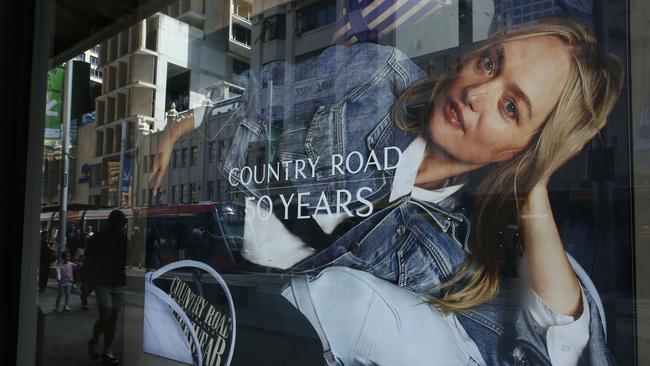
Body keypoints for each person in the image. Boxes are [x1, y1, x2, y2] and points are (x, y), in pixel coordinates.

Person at [148, 17, 623, 365]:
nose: (475, 93)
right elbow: (262, 90)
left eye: (511, 107)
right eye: (490, 62)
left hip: (262, 329)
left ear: (524, 149)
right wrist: (177, 130)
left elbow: (561, 345)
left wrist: (534, 184)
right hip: (213, 266)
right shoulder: (377, 78)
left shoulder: (450, 244)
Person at [85, 210, 127, 365]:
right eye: (122, 223)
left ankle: (107, 350)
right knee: (106, 315)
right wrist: (88, 281)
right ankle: (95, 340)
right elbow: (89, 260)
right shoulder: (98, 238)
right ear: (114, 222)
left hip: (118, 281)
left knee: (112, 317)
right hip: (102, 281)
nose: (123, 226)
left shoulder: (123, 239)